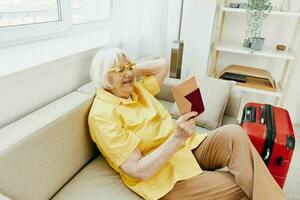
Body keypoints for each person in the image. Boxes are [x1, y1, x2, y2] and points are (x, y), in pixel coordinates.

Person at [88, 48, 286, 200]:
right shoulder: (103, 116)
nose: (129, 74)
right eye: (120, 70)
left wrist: (127, 69)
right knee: (245, 184)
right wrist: (177, 137)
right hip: (164, 177)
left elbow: (162, 65)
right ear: (105, 78)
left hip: (186, 149)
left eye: (130, 67)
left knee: (234, 133)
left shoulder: (136, 89)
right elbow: (139, 170)